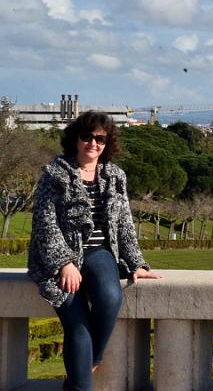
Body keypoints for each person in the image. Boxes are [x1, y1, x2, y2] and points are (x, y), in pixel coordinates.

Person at [27, 111, 161, 391]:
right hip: (59, 258)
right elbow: (44, 222)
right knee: (77, 324)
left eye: (100, 138)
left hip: (99, 252)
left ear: (107, 143)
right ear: (75, 139)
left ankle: (93, 357)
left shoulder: (114, 176)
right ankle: (79, 386)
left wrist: (137, 263)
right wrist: (64, 263)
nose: (93, 143)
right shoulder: (54, 174)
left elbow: (124, 222)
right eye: (87, 136)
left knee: (111, 297)